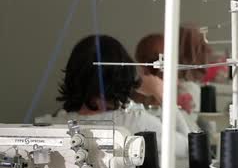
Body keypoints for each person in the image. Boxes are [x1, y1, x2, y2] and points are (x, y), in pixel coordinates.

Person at [36, 35, 189, 158]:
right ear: (123, 74)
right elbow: (188, 147)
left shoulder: (49, 126)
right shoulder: (137, 122)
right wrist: (162, 94)